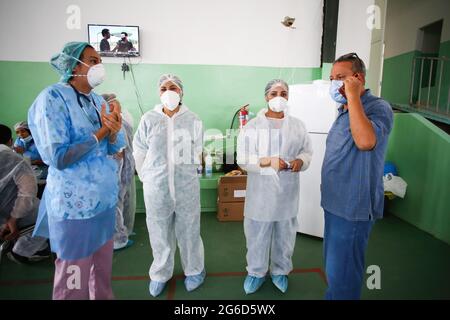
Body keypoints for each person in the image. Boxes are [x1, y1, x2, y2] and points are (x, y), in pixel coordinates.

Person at [27, 42, 125, 300]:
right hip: (75, 209)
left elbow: (115, 147)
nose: (99, 66)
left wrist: (113, 132)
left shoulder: (96, 102)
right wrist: (102, 132)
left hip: (103, 204)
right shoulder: (53, 98)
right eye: (93, 60)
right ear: (74, 65)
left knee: (101, 275)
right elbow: (57, 156)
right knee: (74, 282)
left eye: (99, 60)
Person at [322, 53, 393, 300]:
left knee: (343, 277)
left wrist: (352, 95)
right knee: (334, 270)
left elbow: (365, 142)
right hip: (334, 204)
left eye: (340, 77)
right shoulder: (344, 110)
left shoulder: (377, 107)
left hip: (353, 207)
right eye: (332, 78)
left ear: (358, 77)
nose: (334, 84)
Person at [237, 79, 313, 294]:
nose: (278, 97)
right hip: (260, 193)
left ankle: (280, 271)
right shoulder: (252, 127)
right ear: (266, 97)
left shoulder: (298, 125)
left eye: (283, 93)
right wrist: (268, 162)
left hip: (287, 193)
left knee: (285, 234)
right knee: (257, 234)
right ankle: (256, 272)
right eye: (273, 93)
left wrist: (301, 161)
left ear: (288, 97)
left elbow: (307, 151)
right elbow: (243, 159)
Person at [133, 74, 205, 297]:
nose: (168, 91)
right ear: (159, 92)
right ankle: (160, 273)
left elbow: (198, 151)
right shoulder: (149, 119)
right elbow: (139, 151)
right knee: (159, 232)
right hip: (157, 187)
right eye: (164, 87)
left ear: (181, 92)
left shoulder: (193, 119)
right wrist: (147, 176)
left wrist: (190, 172)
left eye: (173, 87)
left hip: (186, 186)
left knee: (189, 230)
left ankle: (195, 270)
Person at [0, 124, 50, 264]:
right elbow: (27, 194)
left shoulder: (36, 143)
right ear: (10, 140)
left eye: (23, 131)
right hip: (11, 215)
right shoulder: (15, 159)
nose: (21, 134)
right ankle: (22, 251)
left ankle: (40, 247)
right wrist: (13, 220)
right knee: (51, 211)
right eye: (18, 132)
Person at [102, 94, 136, 251]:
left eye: (118, 104)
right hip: (115, 167)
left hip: (125, 167)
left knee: (121, 199)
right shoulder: (108, 125)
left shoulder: (122, 122)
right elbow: (115, 151)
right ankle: (118, 239)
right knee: (115, 201)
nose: (118, 107)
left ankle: (123, 230)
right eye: (114, 105)